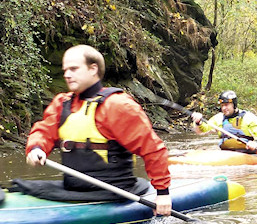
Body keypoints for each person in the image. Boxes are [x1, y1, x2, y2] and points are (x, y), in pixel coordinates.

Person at [25, 44, 172, 215]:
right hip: (75, 188)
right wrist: (36, 148)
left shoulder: (118, 105)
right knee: (19, 186)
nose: (67, 74)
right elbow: (43, 131)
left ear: (93, 69)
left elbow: (152, 149)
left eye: (73, 69)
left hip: (114, 190)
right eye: (65, 70)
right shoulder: (62, 103)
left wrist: (162, 193)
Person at [191, 90, 257, 153]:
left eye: (227, 105)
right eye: (222, 105)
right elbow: (202, 130)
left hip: (246, 152)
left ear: (234, 105)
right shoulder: (218, 118)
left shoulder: (248, 117)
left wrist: (255, 143)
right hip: (226, 152)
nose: (224, 108)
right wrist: (198, 122)